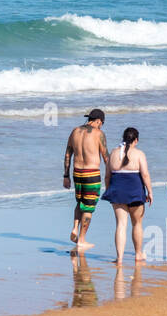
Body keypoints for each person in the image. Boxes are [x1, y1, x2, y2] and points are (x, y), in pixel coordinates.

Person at [101, 126, 152, 262]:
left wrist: (109, 190)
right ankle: (138, 254)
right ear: (136, 140)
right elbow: (145, 175)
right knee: (137, 224)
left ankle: (120, 258)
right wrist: (150, 192)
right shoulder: (139, 154)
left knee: (121, 225)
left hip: (117, 191)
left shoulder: (113, 153)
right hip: (135, 191)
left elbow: (107, 176)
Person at [63, 109, 108, 252]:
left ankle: (75, 228)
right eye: (102, 123)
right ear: (99, 121)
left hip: (77, 173)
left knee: (80, 202)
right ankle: (81, 240)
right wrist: (112, 175)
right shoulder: (99, 134)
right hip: (92, 173)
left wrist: (66, 176)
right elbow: (106, 157)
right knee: (88, 207)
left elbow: (67, 155)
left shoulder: (74, 131)